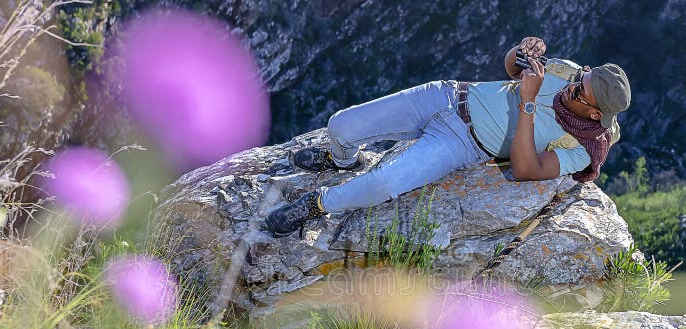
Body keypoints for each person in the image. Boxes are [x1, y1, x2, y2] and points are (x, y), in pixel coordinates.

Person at [265, 37, 631, 237]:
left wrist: (529, 102)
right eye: (580, 79)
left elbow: (524, 168)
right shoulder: (567, 73)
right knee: (340, 126)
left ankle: (318, 204)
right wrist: (519, 53)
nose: (571, 88)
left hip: (463, 144)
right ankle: (341, 159)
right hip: (447, 94)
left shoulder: (583, 148)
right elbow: (510, 68)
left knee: (386, 182)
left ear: (596, 114)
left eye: (580, 92)